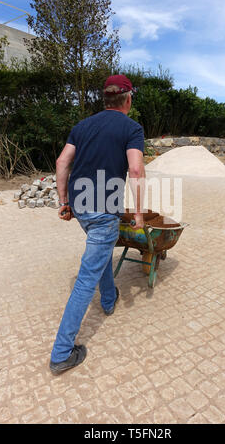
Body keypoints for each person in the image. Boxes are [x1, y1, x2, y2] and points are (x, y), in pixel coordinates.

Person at [50, 74, 145, 375]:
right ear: (128, 100)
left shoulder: (82, 126)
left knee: (100, 251)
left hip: (80, 206)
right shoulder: (132, 128)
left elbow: (62, 163)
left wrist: (64, 201)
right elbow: (136, 169)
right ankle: (61, 353)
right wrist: (140, 215)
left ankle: (108, 299)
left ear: (105, 99)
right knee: (85, 278)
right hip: (104, 210)